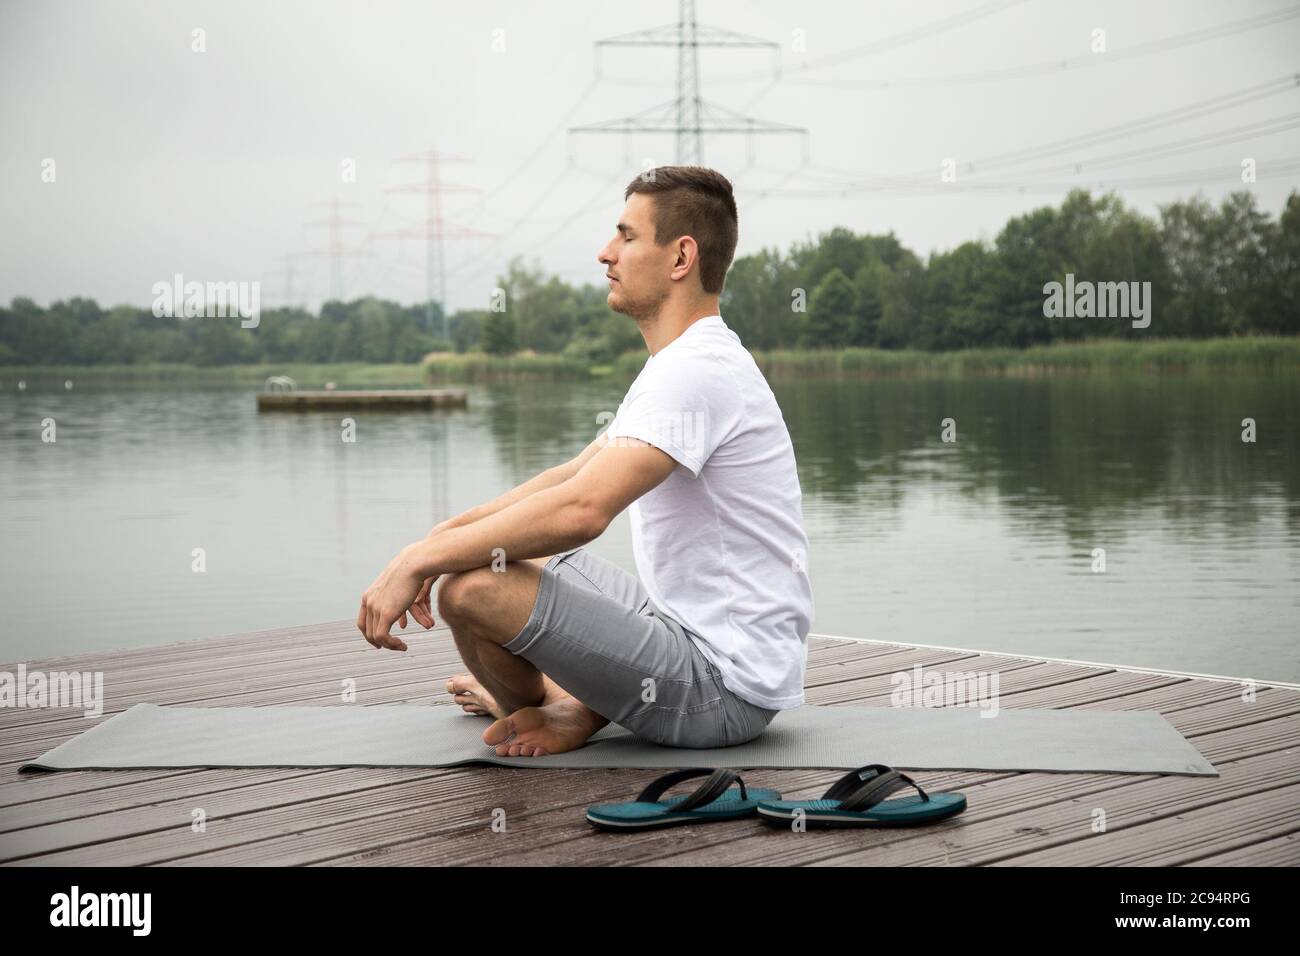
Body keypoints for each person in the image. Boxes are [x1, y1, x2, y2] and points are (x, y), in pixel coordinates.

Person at [356, 165, 813, 756]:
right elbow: (569, 477)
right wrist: (445, 535)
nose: (606, 253)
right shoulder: (685, 363)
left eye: (626, 236)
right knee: (492, 545)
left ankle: (544, 703)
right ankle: (576, 702)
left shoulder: (696, 372)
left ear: (680, 258)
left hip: (721, 692)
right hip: (682, 634)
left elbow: (584, 509)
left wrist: (422, 561)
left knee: (470, 588)